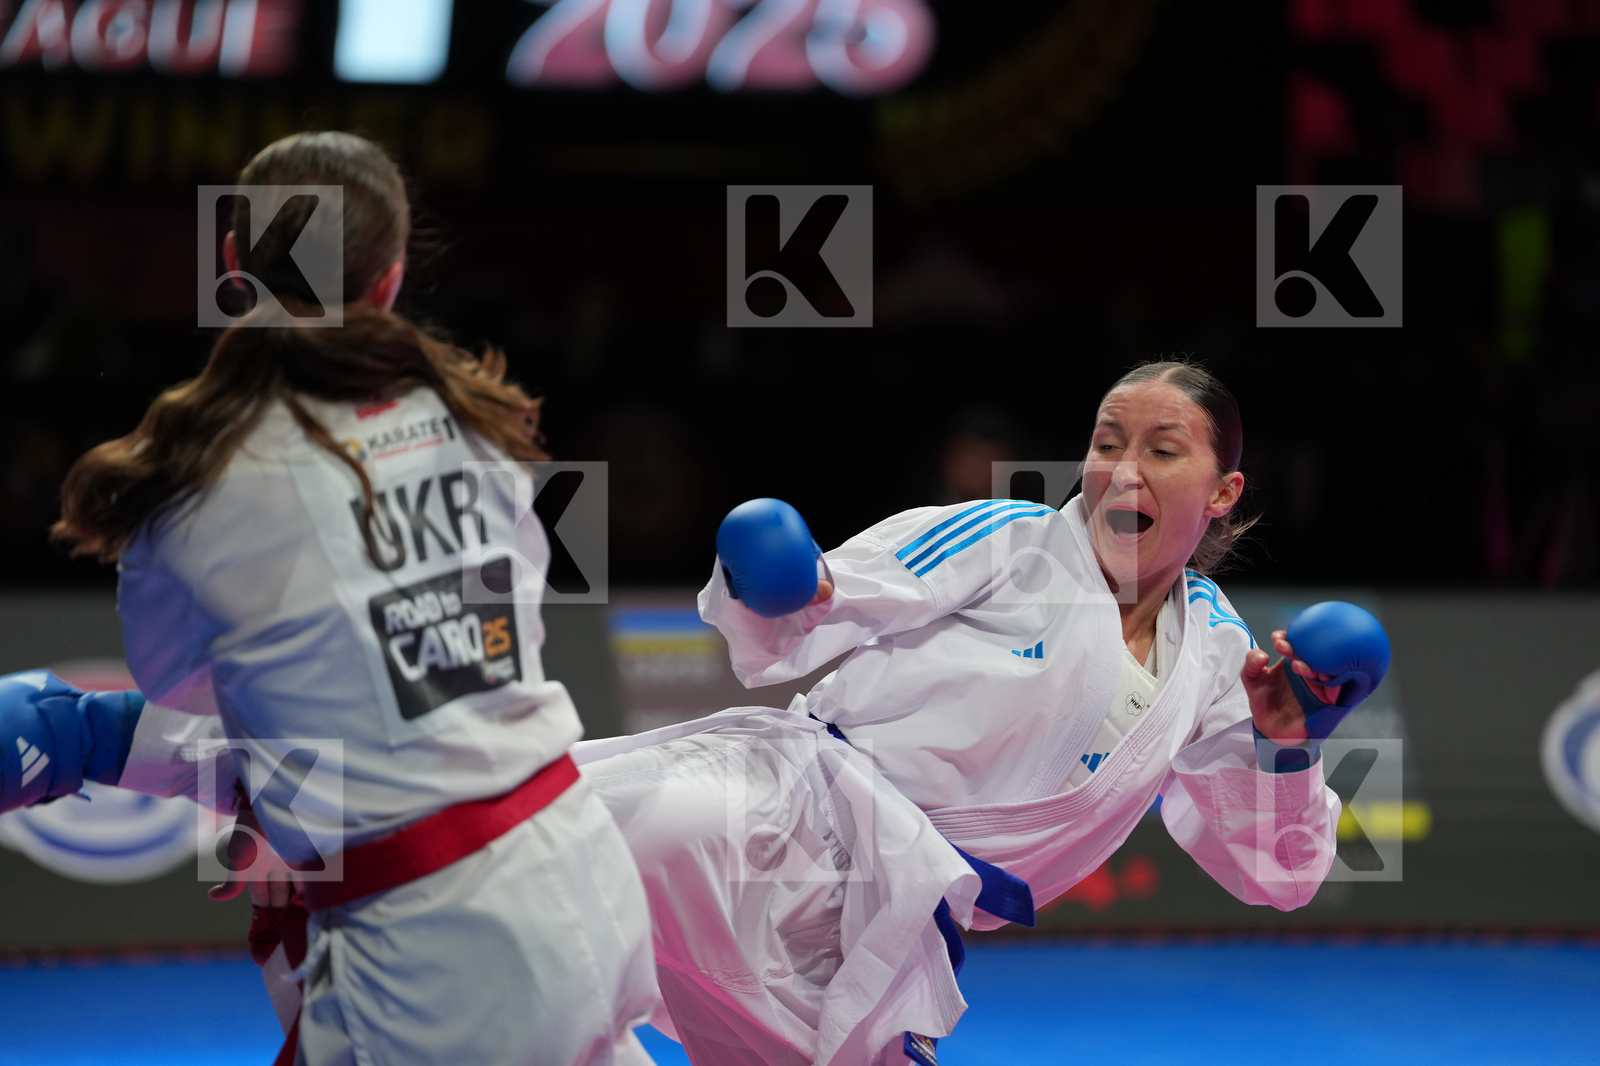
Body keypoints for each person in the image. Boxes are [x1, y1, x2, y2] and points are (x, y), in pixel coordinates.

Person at [3, 131, 656, 1066]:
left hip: (437, 954)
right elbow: (468, 665)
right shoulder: (483, 422)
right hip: (585, 875)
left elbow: (195, 695)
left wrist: (91, 737)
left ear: (233, 264)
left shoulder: (192, 488)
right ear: (390, 279)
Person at [572, 360, 1375, 1065]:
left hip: (890, 926)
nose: (1124, 470)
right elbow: (825, 597)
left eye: (1162, 451)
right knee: (572, 846)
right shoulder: (1014, 541)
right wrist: (784, 581)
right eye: (1106, 444)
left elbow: (1281, 874)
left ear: (1223, 492)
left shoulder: (1219, 656)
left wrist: (1289, 746)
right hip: (784, 815)